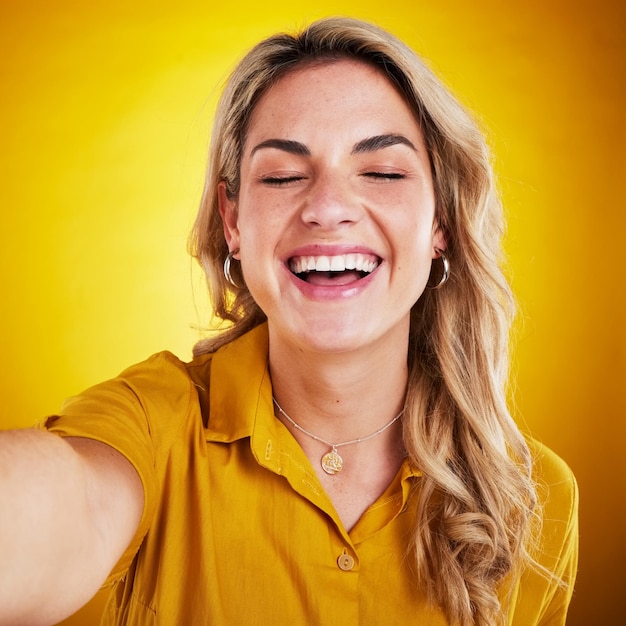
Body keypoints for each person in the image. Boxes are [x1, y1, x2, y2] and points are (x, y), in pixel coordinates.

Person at [0, 16, 578, 626]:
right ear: (233, 221)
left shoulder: (536, 498)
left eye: (382, 172)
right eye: (282, 176)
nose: (328, 208)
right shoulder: (153, 429)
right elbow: (63, 508)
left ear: (441, 220)